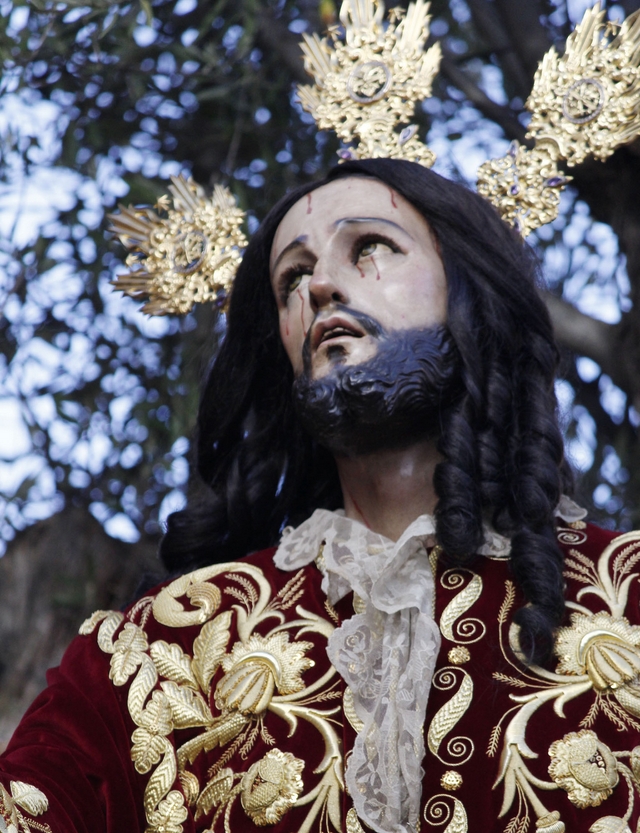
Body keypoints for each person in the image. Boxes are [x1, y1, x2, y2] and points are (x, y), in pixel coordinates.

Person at [2, 156, 640, 833]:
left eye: (370, 247)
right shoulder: (158, 653)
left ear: (468, 292)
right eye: (292, 278)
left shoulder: (626, 595)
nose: (321, 285)